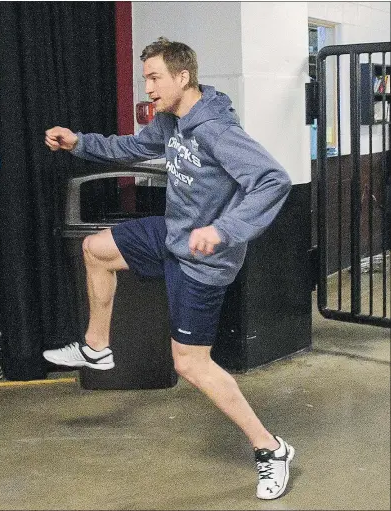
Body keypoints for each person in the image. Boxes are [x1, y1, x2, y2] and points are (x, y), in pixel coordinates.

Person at [43, 37, 294, 500]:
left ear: (183, 77)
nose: (149, 87)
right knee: (96, 249)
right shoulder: (170, 122)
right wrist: (78, 143)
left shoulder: (216, 129)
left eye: (156, 77)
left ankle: (270, 448)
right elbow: (130, 148)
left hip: (203, 258)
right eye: (146, 78)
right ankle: (97, 346)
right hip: (175, 233)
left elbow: (272, 180)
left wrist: (222, 230)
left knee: (191, 364)